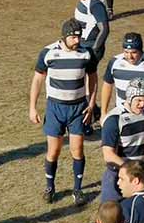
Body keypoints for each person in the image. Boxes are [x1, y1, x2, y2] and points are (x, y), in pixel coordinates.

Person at [29, 18, 98, 206]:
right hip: (55, 108)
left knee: (77, 150)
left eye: (79, 37)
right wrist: (33, 107)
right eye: (74, 37)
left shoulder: (86, 54)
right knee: (54, 151)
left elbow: (93, 79)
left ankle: (77, 189)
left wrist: (91, 104)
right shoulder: (48, 53)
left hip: (78, 109)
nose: (77, 41)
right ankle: (50, 187)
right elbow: (37, 80)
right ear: (65, 37)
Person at [100, 77, 144, 202]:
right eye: (139, 100)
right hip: (119, 175)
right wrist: (129, 169)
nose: (142, 104)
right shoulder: (114, 120)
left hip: (140, 173)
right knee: (114, 215)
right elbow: (108, 154)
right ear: (129, 98)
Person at [100, 33, 144, 137]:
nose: (130, 56)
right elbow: (107, 86)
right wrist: (103, 113)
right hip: (121, 115)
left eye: (134, 52)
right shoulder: (115, 62)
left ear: (141, 50)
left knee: (143, 149)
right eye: (126, 52)